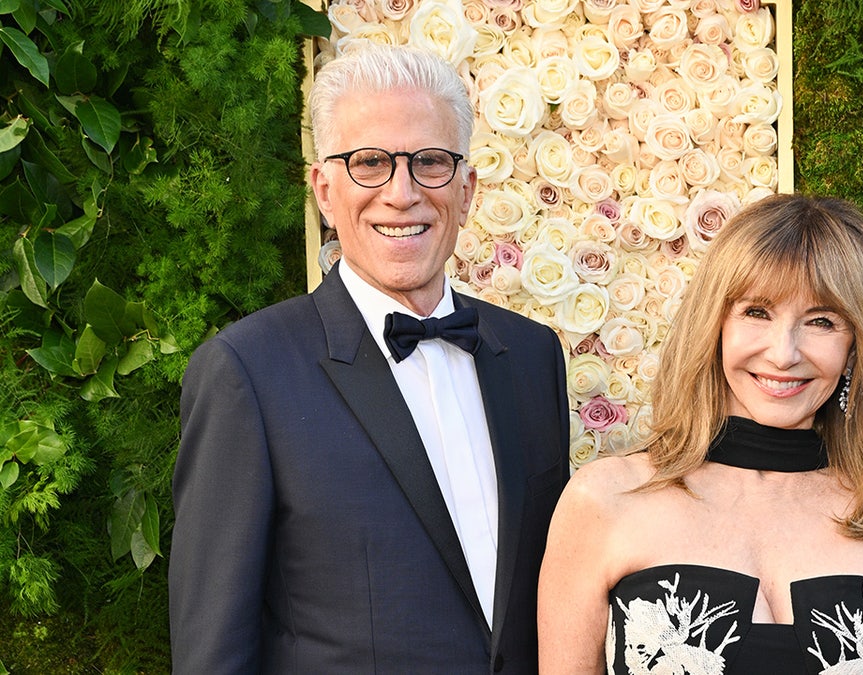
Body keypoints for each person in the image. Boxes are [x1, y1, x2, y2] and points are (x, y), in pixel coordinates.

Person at [169, 44, 569, 673]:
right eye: (370, 163)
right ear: (324, 191)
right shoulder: (247, 372)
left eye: (429, 162)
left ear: (466, 190)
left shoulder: (532, 354)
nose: (401, 194)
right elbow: (213, 653)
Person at [538, 194, 863, 673]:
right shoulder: (604, 500)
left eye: (821, 321)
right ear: (715, 324)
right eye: (757, 312)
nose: (784, 354)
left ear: (856, 346)